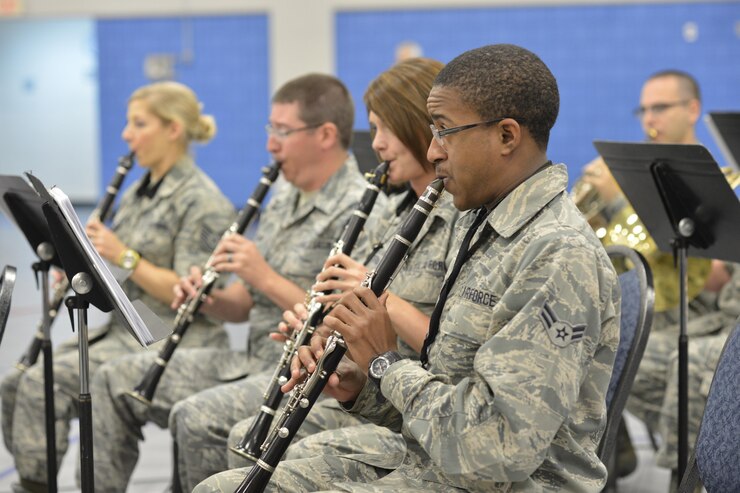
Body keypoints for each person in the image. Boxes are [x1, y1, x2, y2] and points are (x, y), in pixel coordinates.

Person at [195, 43, 621, 493]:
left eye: (444, 131)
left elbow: (496, 449)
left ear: (506, 136)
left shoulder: (556, 253)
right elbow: (447, 395)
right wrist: (359, 385)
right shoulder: (482, 223)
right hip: (434, 463)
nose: (433, 150)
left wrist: (385, 361)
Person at [171, 57, 462, 491]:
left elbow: (448, 347)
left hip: (415, 401)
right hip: (370, 384)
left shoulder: (455, 220)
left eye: (384, 129)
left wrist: (371, 297)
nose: (376, 145)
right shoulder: (395, 215)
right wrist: (319, 330)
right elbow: (348, 310)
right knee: (210, 427)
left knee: (232, 440)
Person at [86, 73, 378, 493]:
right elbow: (243, 305)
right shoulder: (282, 201)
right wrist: (209, 300)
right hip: (253, 358)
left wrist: (264, 275)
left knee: (194, 416)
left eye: (282, 131)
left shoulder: (362, 208)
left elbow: (346, 322)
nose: (270, 144)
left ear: (325, 135)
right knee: (113, 379)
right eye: (269, 129)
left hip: (307, 374)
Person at [0, 81, 235, 492]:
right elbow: (112, 270)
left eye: (138, 124)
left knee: (43, 383)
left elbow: (192, 294)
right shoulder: (138, 192)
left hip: (171, 338)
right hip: (125, 330)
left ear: (173, 129)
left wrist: (125, 256)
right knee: (15, 382)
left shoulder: (203, 200)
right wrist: (79, 266)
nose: (126, 135)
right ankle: (37, 483)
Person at [657, 263, 739, 489]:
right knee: (634, 349)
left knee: (687, 363)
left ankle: (686, 474)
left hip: (732, 330)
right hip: (719, 320)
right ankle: (621, 448)